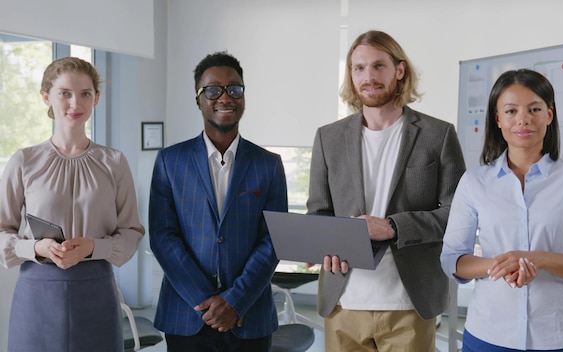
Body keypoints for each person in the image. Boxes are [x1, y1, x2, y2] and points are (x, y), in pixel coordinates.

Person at [306, 30, 466, 351]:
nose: (368, 77)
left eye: (379, 66)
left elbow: (457, 216)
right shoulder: (328, 137)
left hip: (409, 302)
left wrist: (393, 227)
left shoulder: (439, 135)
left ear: (399, 71)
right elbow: (319, 213)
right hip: (344, 301)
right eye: (359, 68)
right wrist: (322, 247)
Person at [440, 69, 563, 351]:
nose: (523, 119)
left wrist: (540, 259)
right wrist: (501, 265)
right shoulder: (474, 181)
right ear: (498, 119)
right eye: (511, 110)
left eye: (534, 109)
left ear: (549, 115)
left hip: (560, 336)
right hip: (488, 334)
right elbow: (452, 259)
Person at [0, 56, 145, 352]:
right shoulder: (23, 161)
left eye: (85, 94)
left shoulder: (114, 162)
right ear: (46, 97)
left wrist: (93, 247)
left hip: (96, 292)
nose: (75, 103)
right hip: (36, 295)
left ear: (97, 99)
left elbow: (131, 231)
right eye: (64, 93)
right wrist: (35, 248)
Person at [148, 51, 288, 352]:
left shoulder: (269, 164)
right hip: (187, 314)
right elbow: (163, 236)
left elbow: (274, 240)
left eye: (234, 88)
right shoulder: (170, 161)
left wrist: (234, 301)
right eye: (212, 89)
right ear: (198, 99)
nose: (225, 97)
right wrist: (206, 301)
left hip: (249, 315)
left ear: (243, 96)